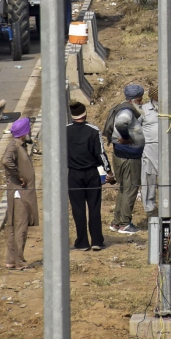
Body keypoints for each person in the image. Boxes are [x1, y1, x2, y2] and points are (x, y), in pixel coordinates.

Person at [67, 102, 110, 250]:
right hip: (92, 173)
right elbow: (101, 153)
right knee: (94, 207)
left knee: (78, 209)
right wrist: (108, 170)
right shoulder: (93, 130)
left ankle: (82, 242)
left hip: (73, 174)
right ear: (85, 113)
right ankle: (97, 241)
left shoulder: (64, 131)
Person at [105, 84, 146, 235]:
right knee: (131, 188)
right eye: (140, 100)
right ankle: (124, 224)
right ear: (134, 100)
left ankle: (116, 222)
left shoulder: (122, 107)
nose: (141, 103)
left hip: (121, 155)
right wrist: (127, 138)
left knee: (124, 188)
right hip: (129, 157)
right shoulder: (127, 111)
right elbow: (121, 123)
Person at [2, 116, 38, 269]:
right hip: (19, 193)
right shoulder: (14, 146)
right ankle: (19, 261)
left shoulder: (20, 145)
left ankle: (11, 260)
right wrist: (18, 175)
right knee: (20, 227)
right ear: (24, 133)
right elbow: (6, 161)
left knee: (14, 226)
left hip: (20, 192)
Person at [139, 90, 162, 218]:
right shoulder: (144, 109)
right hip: (149, 148)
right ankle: (149, 208)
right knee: (149, 177)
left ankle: (170, 204)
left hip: (165, 149)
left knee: (168, 178)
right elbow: (135, 127)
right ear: (154, 96)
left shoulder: (169, 108)